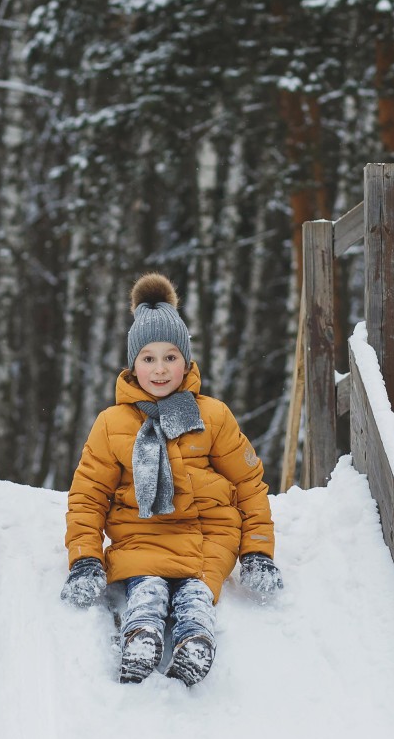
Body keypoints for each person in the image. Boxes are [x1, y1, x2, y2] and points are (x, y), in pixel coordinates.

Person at [61, 272, 283, 686]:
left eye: (170, 357)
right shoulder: (112, 424)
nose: (160, 370)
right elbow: (88, 497)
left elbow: (250, 485)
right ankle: (141, 635)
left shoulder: (212, 416)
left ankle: (194, 639)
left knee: (196, 593)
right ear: (132, 365)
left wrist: (257, 551)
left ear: (186, 361)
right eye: (148, 358)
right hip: (141, 538)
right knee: (146, 588)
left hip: (207, 538)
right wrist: (85, 559)